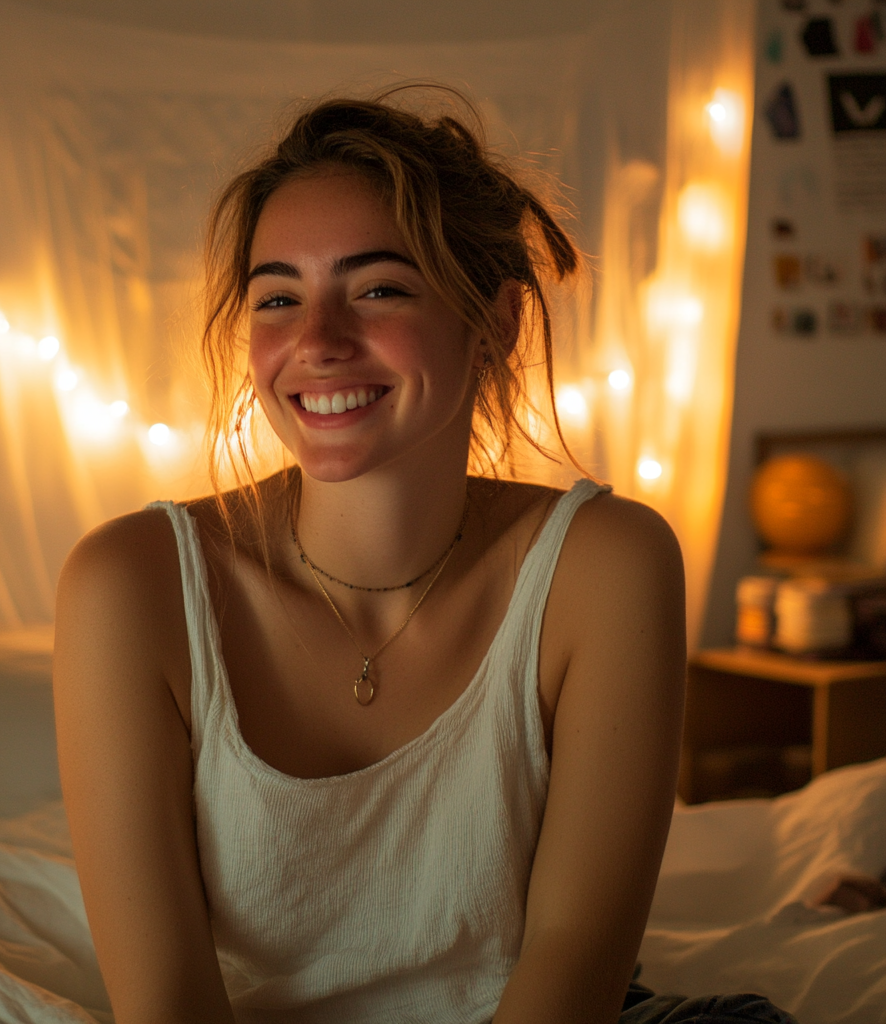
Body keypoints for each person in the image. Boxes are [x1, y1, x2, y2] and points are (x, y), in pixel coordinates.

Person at [53, 88, 797, 1024]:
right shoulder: (132, 585)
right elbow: (167, 1002)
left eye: (378, 289)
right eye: (279, 298)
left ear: (496, 325)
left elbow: (571, 965)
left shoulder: (605, 565)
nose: (317, 343)